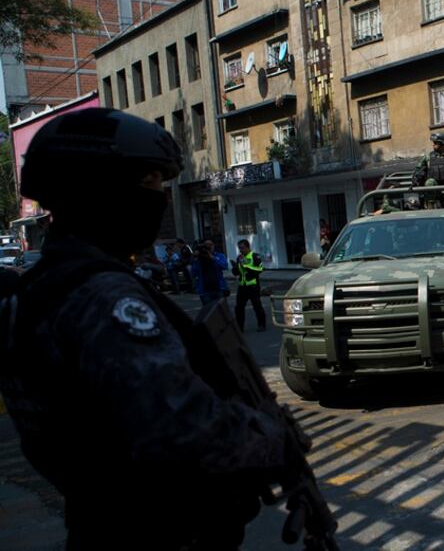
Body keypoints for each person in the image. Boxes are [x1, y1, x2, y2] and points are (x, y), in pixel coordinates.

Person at [0, 109, 285, 548]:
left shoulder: (34, 293)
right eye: (151, 181)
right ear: (103, 191)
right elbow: (185, 431)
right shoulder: (105, 298)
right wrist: (270, 434)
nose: (161, 196)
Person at [413, 131, 444, 207]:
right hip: (432, 192)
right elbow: (418, 169)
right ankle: (430, 208)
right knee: (430, 182)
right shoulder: (428, 157)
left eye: (436, 142)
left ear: (443, 143)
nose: (433, 144)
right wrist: (417, 177)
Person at [231, 239, 267, 332]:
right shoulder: (239, 257)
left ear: (248, 247)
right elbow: (237, 272)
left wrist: (246, 266)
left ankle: (262, 324)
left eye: (242, 248)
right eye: (239, 248)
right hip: (242, 286)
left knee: (257, 306)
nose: (241, 250)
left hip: (253, 286)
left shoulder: (255, 256)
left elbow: (260, 269)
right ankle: (240, 327)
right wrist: (235, 267)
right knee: (239, 307)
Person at [192, 238, 228, 306]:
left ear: (213, 246)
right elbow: (194, 273)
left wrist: (213, 258)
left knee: (222, 311)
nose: (208, 247)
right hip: (205, 290)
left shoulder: (219, 255)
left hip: (219, 288)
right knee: (209, 312)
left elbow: (224, 266)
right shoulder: (199, 259)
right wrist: (196, 259)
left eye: (210, 245)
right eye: (206, 245)